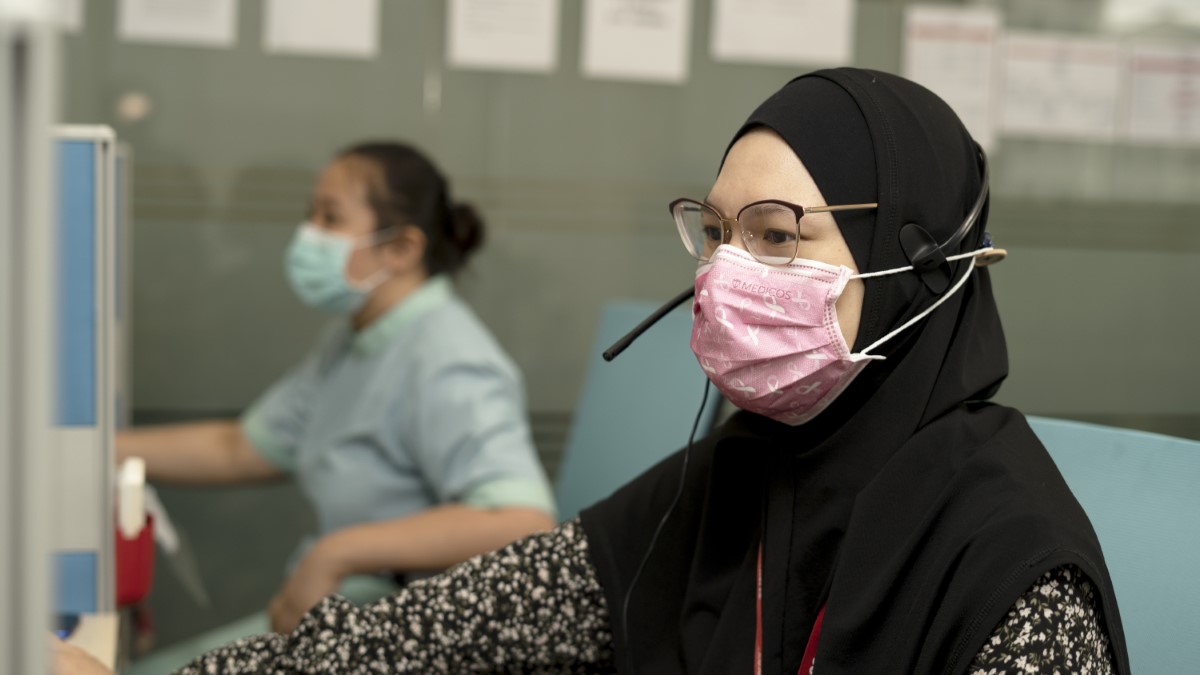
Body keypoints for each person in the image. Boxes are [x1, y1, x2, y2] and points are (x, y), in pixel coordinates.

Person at [58, 69, 1130, 674]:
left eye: (778, 235)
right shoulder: (726, 482)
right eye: (714, 233)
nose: (726, 276)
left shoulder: (1011, 571)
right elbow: (437, 632)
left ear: (921, 267)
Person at [115, 141, 556, 635]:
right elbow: (240, 447)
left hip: (397, 634)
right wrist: (88, 448)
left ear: (401, 248)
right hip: (338, 613)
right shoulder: (358, 337)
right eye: (311, 216)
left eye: (330, 218)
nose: (309, 236)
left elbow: (521, 521)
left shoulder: (449, 356)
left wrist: (337, 552)